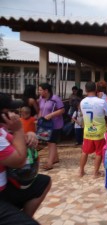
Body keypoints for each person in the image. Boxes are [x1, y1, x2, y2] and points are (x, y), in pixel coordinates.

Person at [0, 92, 51, 224]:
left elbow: (16, 140)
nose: (13, 115)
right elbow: (19, 161)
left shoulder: (2, 129)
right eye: (8, 112)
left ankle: (23, 218)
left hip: (6, 186)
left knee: (43, 182)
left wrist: (29, 134)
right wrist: (18, 129)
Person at [79, 82, 107, 178]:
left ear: (85, 90)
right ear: (96, 89)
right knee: (99, 152)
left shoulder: (82, 102)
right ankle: (95, 173)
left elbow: (81, 113)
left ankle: (81, 171)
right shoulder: (101, 101)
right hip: (99, 131)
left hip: (87, 130)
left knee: (85, 151)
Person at [38, 83, 65, 170]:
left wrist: (51, 115)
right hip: (45, 124)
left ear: (46, 91)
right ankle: (55, 158)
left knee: (52, 142)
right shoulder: (41, 99)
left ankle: (49, 163)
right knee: (49, 142)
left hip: (55, 124)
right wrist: (39, 120)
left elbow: (62, 110)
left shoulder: (55, 98)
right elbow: (41, 110)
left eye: (40, 90)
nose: (39, 91)